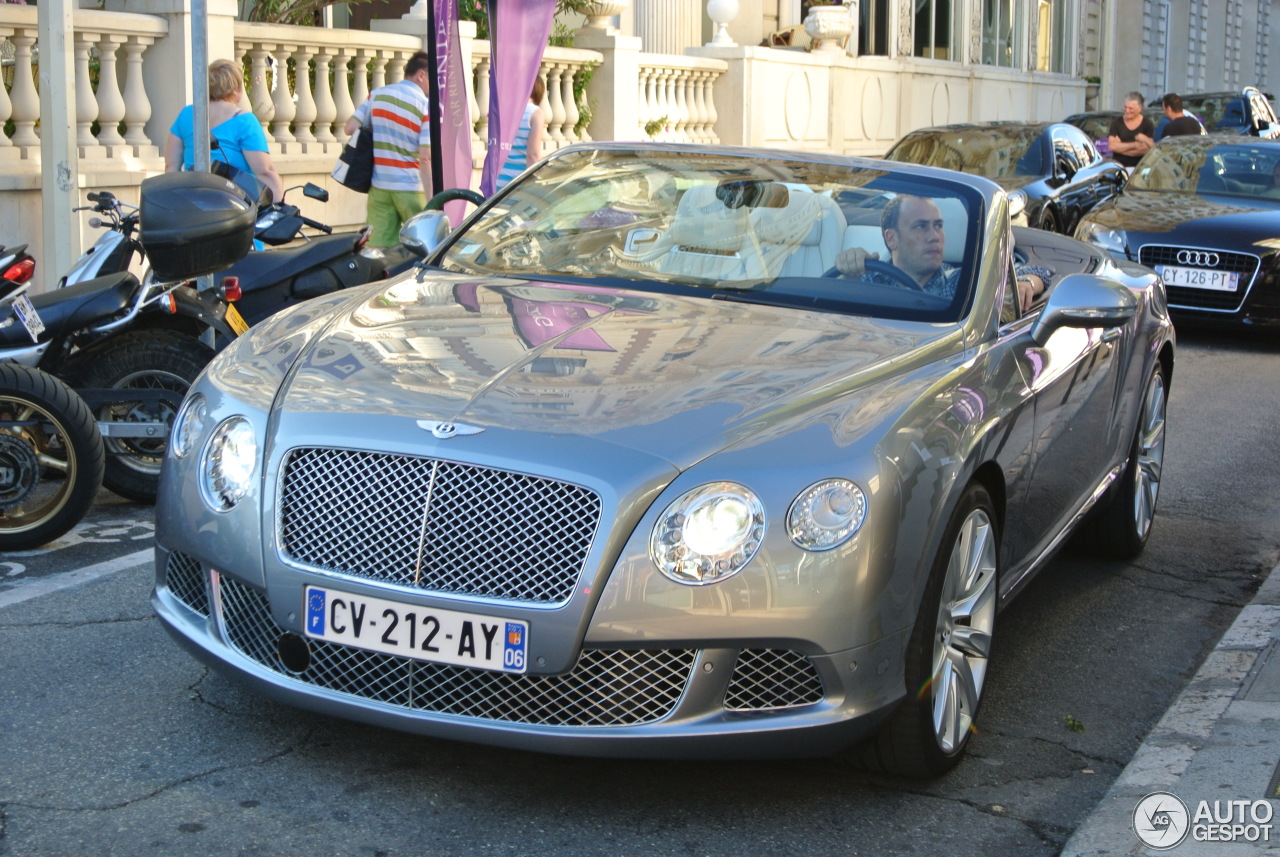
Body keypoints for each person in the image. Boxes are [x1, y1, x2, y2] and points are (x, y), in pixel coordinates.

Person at [833, 194, 1050, 313]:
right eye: (921, 227)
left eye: (938, 226)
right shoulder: (869, 279)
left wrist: (1024, 283)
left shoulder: (961, 283)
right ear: (891, 238)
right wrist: (847, 276)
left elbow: (1038, 271)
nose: (934, 236)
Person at [343, 51, 433, 248]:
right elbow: (425, 158)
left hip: (380, 187)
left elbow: (349, 128)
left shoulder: (376, 95)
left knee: (378, 249)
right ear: (421, 75)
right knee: (423, 248)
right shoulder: (426, 106)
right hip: (411, 188)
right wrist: (433, 201)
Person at [165, 59, 283, 203]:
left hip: (193, 201)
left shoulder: (186, 115)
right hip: (233, 203)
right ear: (236, 90)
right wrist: (278, 204)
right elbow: (265, 171)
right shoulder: (245, 121)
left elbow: (171, 166)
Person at [494, 78, 548, 192]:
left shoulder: (505, 111)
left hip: (499, 180)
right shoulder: (535, 113)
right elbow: (532, 155)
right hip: (519, 183)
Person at [1107, 92, 1156, 171]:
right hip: (1119, 167)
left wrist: (1120, 147)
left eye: (1130, 108)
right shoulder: (1116, 123)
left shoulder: (1147, 124)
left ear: (1140, 108)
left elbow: (1147, 149)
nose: (1127, 111)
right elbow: (1112, 146)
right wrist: (1136, 145)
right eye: (1125, 107)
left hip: (1140, 168)